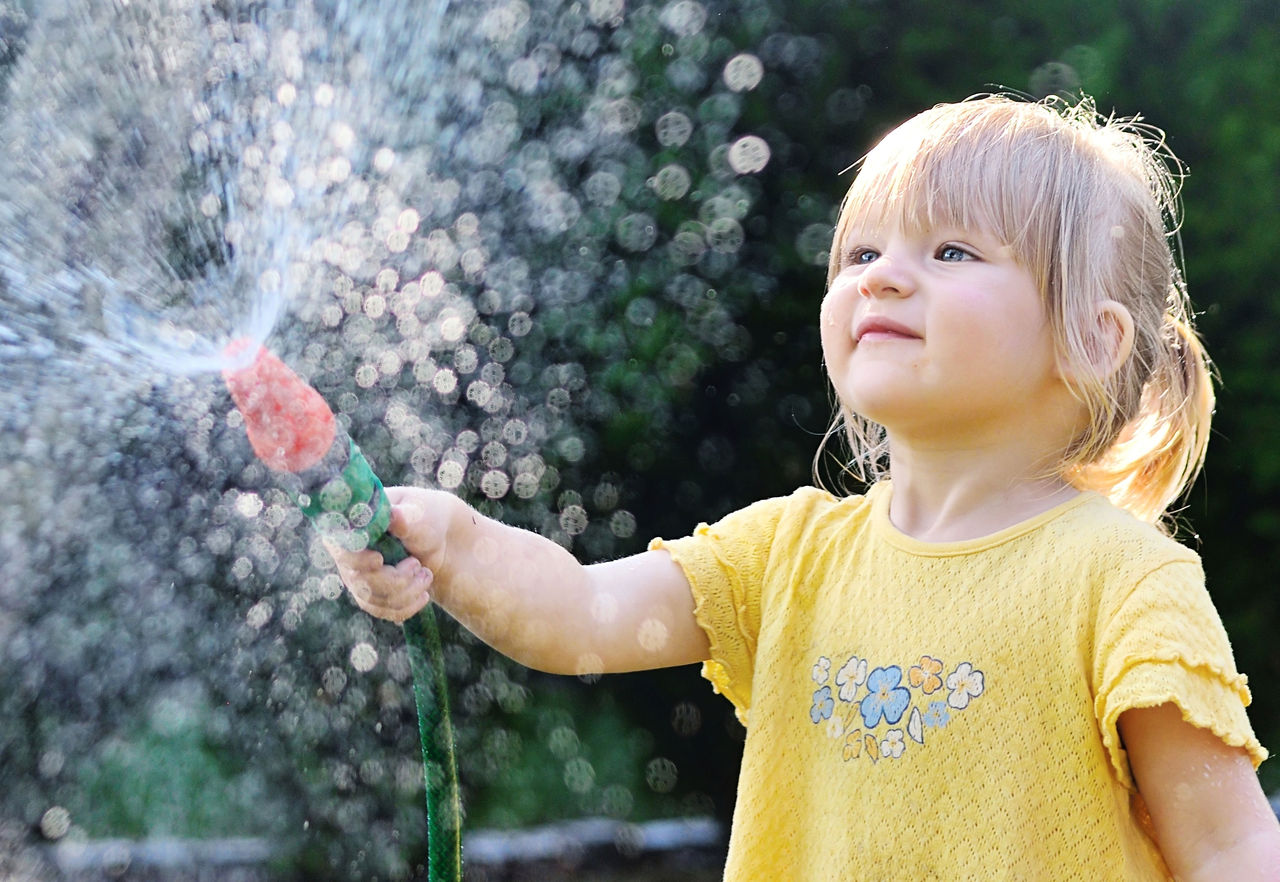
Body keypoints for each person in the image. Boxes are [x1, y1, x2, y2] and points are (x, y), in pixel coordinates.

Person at [329, 94, 1280, 879]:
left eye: (951, 252)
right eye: (862, 254)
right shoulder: (787, 555)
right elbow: (579, 613)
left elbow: (1230, 850)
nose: (883, 280)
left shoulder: (1121, 583)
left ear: (1091, 339)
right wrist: (449, 544)